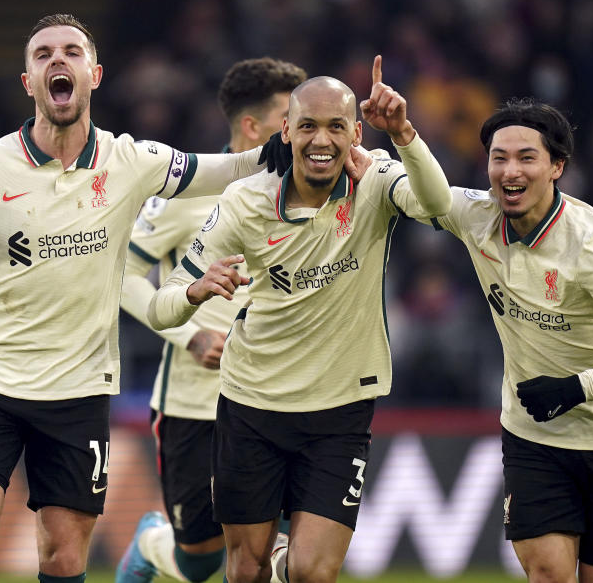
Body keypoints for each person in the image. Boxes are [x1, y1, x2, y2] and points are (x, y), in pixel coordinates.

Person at [0, 14, 287, 583]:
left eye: (71, 51)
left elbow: (235, 165)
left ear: (94, 74)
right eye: (43, 54)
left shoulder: (131, 161)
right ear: (29, 82)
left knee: (64, 558)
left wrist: (310, 141)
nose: (58, 60)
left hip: (80, 388)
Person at [147, 56, 452, 583]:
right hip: (251, 405)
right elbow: (161, 303)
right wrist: (194, 292)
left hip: (339, 411)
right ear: (284, 131)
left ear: (356, 133)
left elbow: (439, 204)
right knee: (244, 570)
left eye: (337, 127)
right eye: (308, 126)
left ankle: (292, 562)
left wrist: (403, 133)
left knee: (313, 571)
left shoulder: (376, 181)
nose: (321, 140)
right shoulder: (244, 201)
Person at [428, 99, 593, 583]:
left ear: (557, 167)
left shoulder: (590, 242)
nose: (509, 170)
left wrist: (574, 390)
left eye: (526, 157)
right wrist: (400, 136)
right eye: (498, 157)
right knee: (547, 574)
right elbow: (416, 189)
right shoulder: (476, 216)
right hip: (532, 438)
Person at [115, 57, 307, 583]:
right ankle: (153, 543)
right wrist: (189, 334)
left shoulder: (314, 192)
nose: (305, 131)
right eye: (294, 119)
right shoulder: (189, 190)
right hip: (196, 401)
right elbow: (121, 274)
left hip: (279, 397)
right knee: (198, 560)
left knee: (273, 553)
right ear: (253, 127)